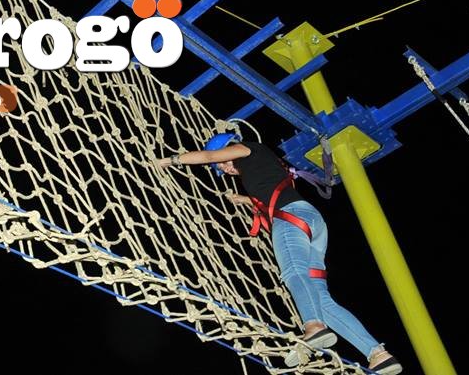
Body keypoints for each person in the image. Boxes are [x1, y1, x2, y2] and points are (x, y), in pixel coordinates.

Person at [156, 133, 402, 374]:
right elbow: (270, 192)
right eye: (221, 169)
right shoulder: (262, 165)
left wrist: (169, 161)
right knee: (322, 300)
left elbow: (209, 155)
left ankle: (314, 326)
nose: (225, 168)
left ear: (229, 147)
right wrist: (243, 200)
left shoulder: (247, 149)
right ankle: (378, 354)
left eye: (223, 163)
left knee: (294, 272)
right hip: (311, 222)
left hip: (290, 219)